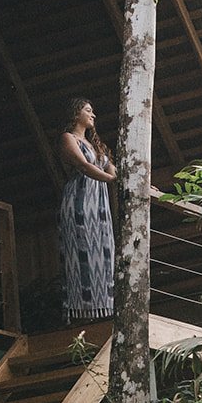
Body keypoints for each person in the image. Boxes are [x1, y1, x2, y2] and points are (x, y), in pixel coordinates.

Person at [58, 98, 116, 324]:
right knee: (82, 251)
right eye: (88, 110)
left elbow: (115, 171)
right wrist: (110, 180)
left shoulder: (96, 145)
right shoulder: (68, 138)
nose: (93, 115)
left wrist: (142, 183)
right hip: (80, 202)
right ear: (76, 114)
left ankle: (105, 308)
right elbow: (83, 165)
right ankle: (82, 313)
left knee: (104, 252)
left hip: (99, 206)